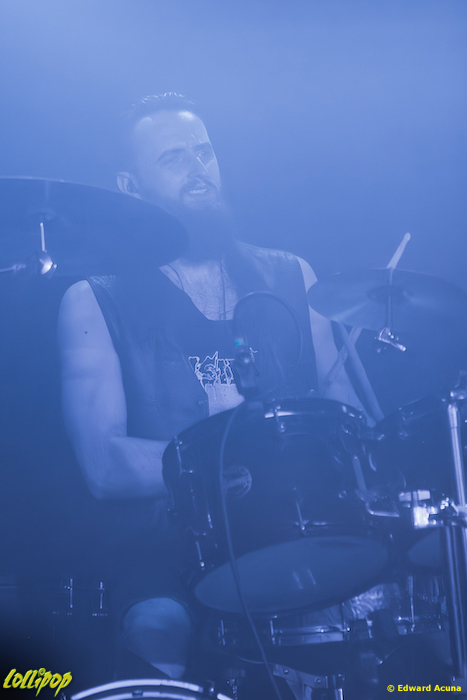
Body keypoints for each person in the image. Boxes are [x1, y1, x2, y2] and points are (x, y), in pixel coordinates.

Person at [57, 93, 366, 681]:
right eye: (173, 159)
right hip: (167, 545)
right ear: (130, 185)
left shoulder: (293, 276)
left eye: (204, 152)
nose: (198, 170)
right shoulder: (94, 299)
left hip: (292, 526)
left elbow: (347, 419)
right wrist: (239, 469)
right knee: (156, 628)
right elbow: (104, 466)